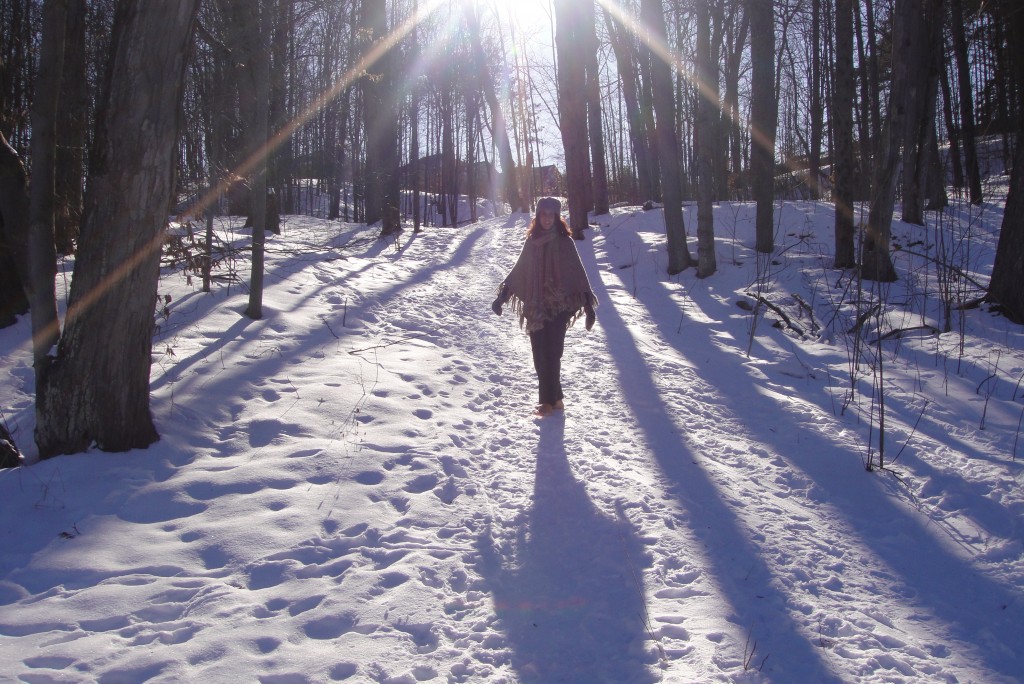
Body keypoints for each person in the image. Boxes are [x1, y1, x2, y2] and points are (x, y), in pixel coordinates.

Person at [491, 197, 597, 416]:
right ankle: (556, 399)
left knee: (553, 352)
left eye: (551, 214)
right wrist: (501, 298)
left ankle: (546, 402)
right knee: (540, 353)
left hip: (559, 307)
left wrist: (588, 309)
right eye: (543, 214)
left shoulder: (565, 243)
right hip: (536, 307)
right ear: (538, 216)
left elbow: (578, 276)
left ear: (557, 217)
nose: (547, 218)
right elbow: (518, 273)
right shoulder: (532, 243)